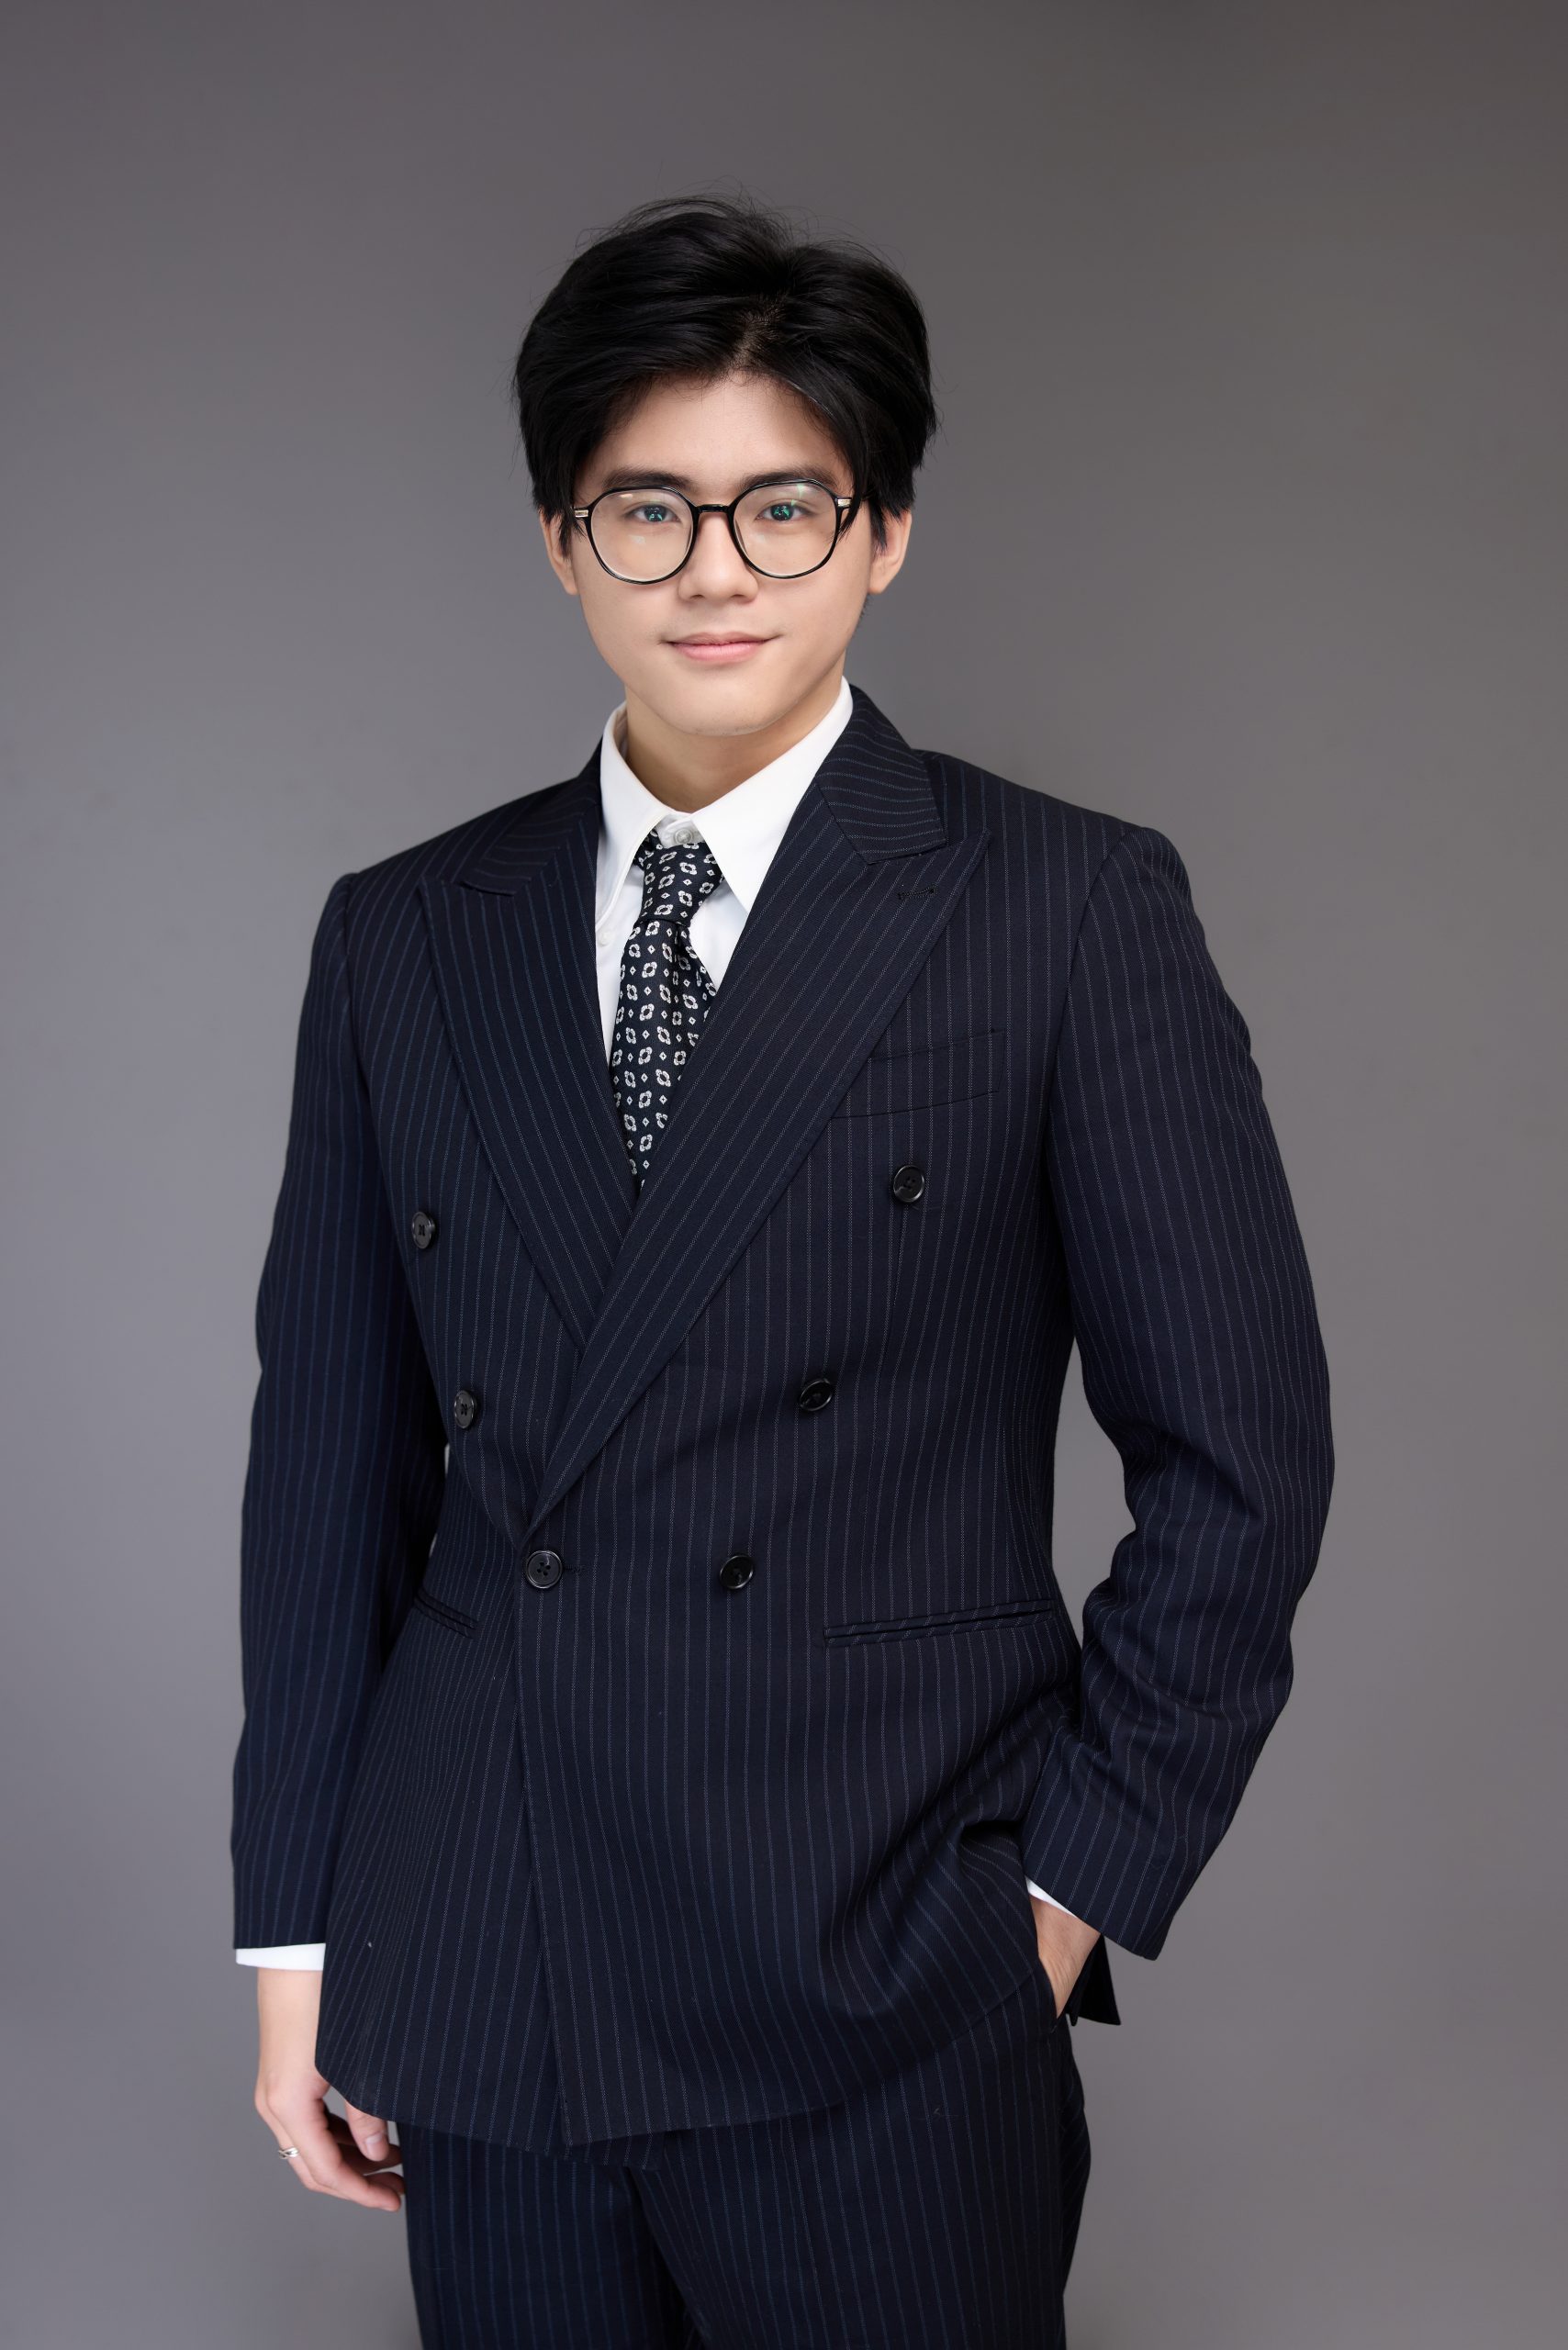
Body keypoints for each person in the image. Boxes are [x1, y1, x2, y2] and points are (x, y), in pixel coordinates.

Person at [232, 191, 1334, 2347]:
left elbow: (1239, 1461)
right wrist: (302, 1936)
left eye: (781, 504)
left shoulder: (1058, 908)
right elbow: (327, 1481)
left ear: (882, 530)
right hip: (488, 1956)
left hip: (876, 1966)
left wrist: (1054, 1901)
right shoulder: (407, 933)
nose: (714, 569)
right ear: (559, 541)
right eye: (647, 508)